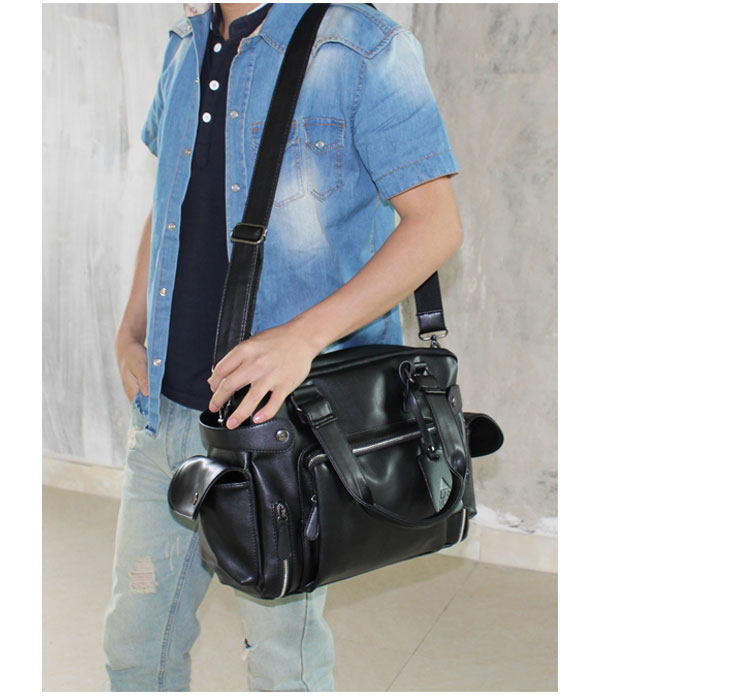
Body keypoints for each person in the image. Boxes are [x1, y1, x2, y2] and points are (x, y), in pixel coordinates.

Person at [103, 1, 464, 692]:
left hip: (282, 429)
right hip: (165, 411)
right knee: (135, 647)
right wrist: (131, 329)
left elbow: (436, 225)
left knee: (282, 666)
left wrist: (304, 337)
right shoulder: (185, 42)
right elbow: (170, 200)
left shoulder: (361, 45)